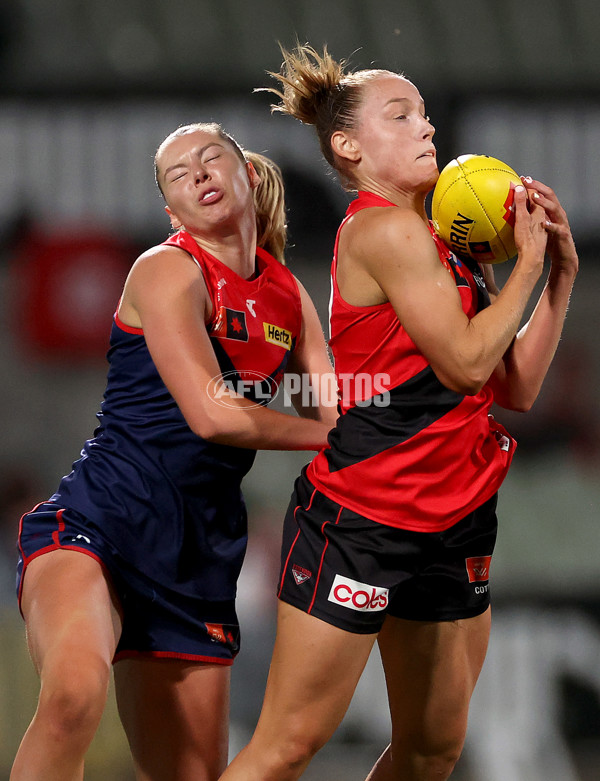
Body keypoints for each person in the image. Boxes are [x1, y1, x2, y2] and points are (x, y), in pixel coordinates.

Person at [220, 45, 579, 781]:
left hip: (454, 518)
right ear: (349, 146)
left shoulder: (449, 247)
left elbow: (514, 386)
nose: (426, 128)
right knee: (288, 743)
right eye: (401, 114)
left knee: (431, 748)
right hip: (363, 519)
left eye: (424, 113)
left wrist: (559, 278)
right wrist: (530, 268)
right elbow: (467, 361)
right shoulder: (382, 230)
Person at [12, 122, 337, 781]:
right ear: (172, 210)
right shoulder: (166, 268)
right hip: (101, 518)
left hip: (196, 554)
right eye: (177, 174)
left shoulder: (289, 298)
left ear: (245, 174)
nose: (197, 174)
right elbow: (214, 411)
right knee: (73, 696)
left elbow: (329, 404)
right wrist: (336, 433)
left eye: (210, 159)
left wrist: (400, 404)